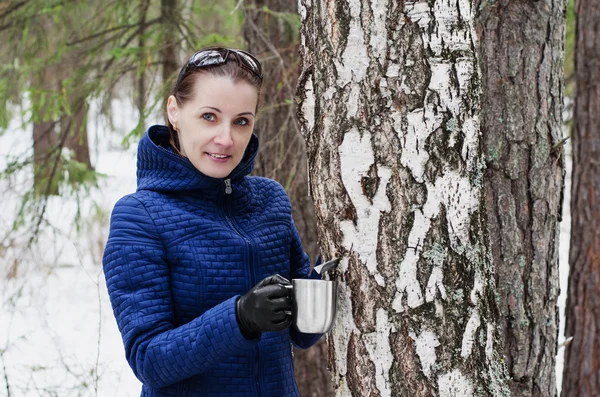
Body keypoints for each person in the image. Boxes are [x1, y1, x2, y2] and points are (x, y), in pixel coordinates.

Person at [102, 47, 322, 396]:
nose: (226, 139)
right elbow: (149, 360)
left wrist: (331, 274)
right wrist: (240, 317)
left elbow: (303, 332)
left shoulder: (270, 200)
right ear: (174, 111)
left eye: (241, 121)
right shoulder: (140, 217)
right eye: (209, 117)